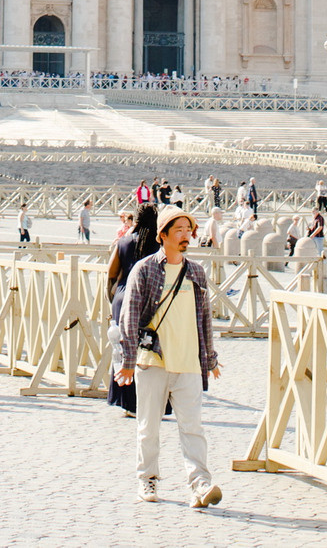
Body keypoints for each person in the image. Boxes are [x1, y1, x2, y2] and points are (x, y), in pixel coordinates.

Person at [112, 209, 221, 508]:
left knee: (193, 427)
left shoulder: (197, 272)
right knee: (149, 426)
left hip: (188, 362)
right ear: (163, 235)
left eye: (190, 229)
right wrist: (128, 361)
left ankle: (200, 485)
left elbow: (204, 319)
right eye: (180, 229)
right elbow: (130, 316)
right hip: (153, 361)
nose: (186, 234)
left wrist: (209, 359)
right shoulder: (145, 270)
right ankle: (147, 479)